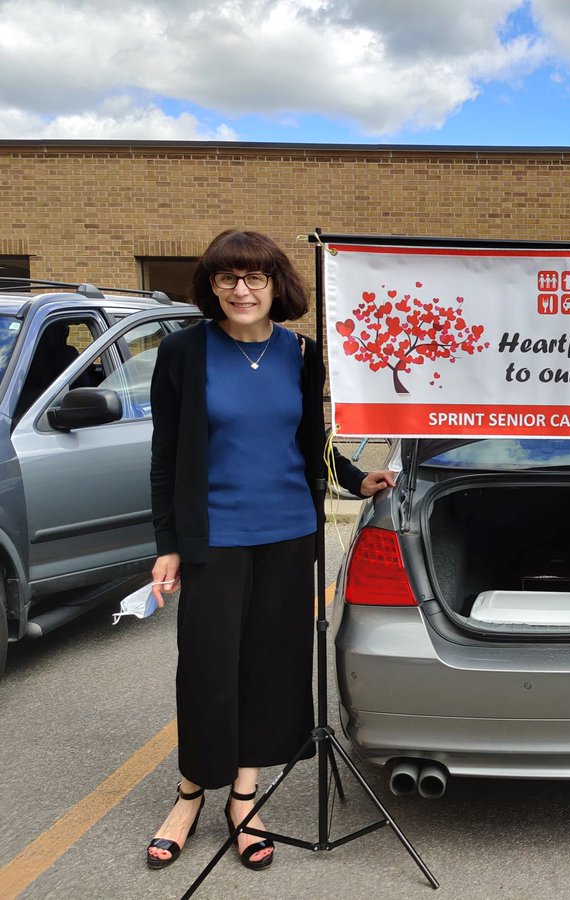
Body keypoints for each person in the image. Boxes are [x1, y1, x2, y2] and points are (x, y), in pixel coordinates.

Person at [145, 230, 395, 871]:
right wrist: (168, 544)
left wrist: (350, 477)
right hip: (214, 540)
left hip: (288, 536)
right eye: (228, 278)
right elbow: (166, 458)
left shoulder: (302, 354)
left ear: (275, 285)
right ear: (211, 287)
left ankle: (245, 799)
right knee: (206, 666)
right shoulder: (183, 352)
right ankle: (192, 791)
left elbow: (308, 442)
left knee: (267, 665)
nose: (242, 290)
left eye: (254, 278)